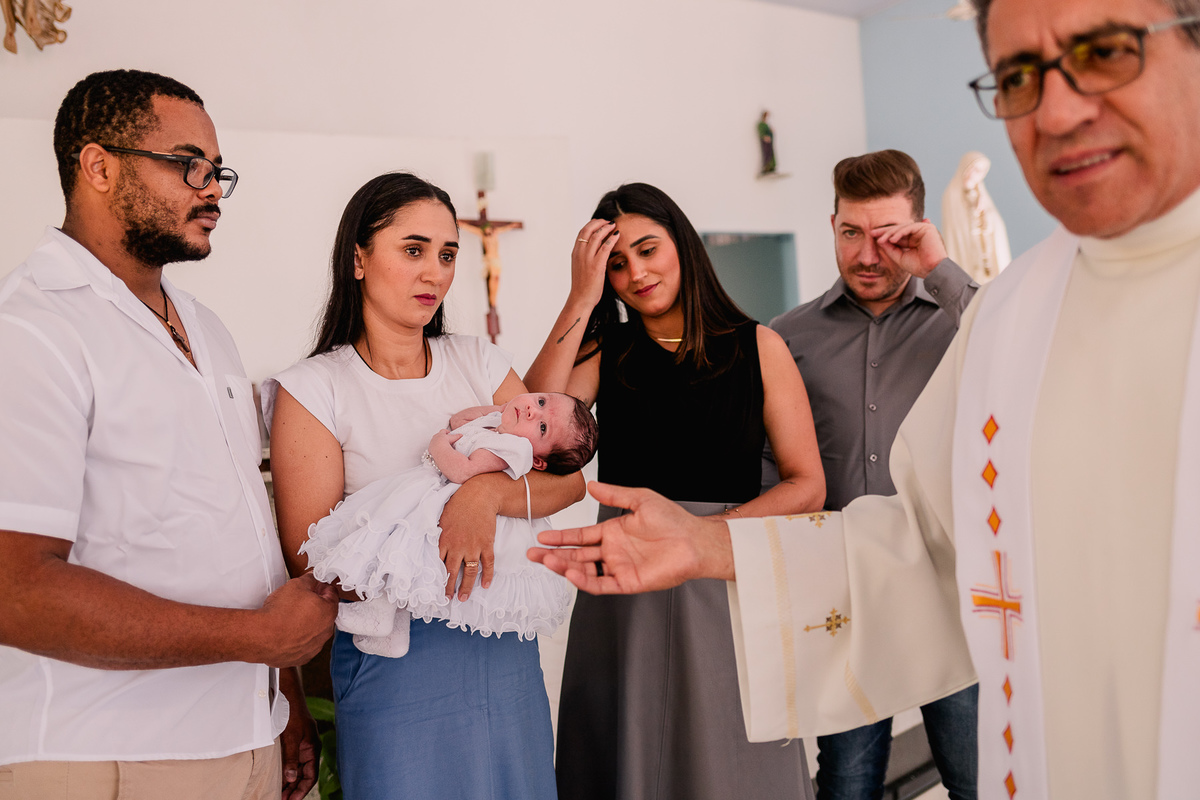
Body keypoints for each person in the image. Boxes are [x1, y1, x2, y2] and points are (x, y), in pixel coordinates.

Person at [532, 1, 1200, 798]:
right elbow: (914, 533)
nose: (1055, 109)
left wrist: (714, 538)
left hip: (944, 627)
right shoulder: (1013, 314)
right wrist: (709, 546)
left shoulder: (974, 315)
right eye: (1018, 75)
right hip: (827, 589)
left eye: (1103, 51)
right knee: (840, 773)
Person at [0, 70, 338, 800]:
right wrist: (258, 641)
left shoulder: (206, 330)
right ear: (98, 166)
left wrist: (275, 697)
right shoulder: (32, 329)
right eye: (188, 165)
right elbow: (13, 589)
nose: (212, 189)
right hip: (104, 755)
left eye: (218, 172)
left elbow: (233, 532)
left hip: (240, 741)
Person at [265, 171, 585, 800]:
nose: (435, 273)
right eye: (413, 250)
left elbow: (566, 484)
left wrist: (481, 495)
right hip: (396, 663)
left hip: (503, 654)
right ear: (358, 258)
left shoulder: (478, 361)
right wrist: (436, 538)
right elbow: (309, 556)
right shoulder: (314, 389)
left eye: (446, 254)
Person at [524, 182, 826, 800]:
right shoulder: (607, 350)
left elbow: (807, 484)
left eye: (647, 249)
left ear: (681, 245)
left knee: (731, 753)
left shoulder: (759, 347)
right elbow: (533, 423)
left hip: (727, 573)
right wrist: (580, 298)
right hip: (624, 580)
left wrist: (702, 537)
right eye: (615, 263)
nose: (636, 272)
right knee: (627, 748)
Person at [763, 149, 979, 800]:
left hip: (948, 592)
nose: (865, 255)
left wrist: (938, 268)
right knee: (847, 782)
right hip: (844, 595)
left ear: (914, 230)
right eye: (851, 233)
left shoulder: (960, 323)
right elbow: (771, 462)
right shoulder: (787, 336)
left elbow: (1015, 353)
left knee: (977, 777)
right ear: (832, 225)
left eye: (887, 237)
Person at [303, 391, 597, 657]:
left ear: (539, 462)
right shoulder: (502, 427)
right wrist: (501, 410)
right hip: (437, 493)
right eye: (541, 401)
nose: (533, 411)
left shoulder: (512, 449)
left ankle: (380, 616)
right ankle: (390, 630)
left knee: (400, 546)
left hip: (447, 500)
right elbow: (460, 419)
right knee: (397, 551)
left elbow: (461, 471)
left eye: (543, 427)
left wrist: (438, 444)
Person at [940, 151, 1012, 283]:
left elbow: (997, 225)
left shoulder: (982, 196)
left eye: (981, 171)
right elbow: (956, 231)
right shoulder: (952, 196)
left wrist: (986, 216)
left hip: (986, 261)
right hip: (968, 259)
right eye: (975, 169)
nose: (977, 174)